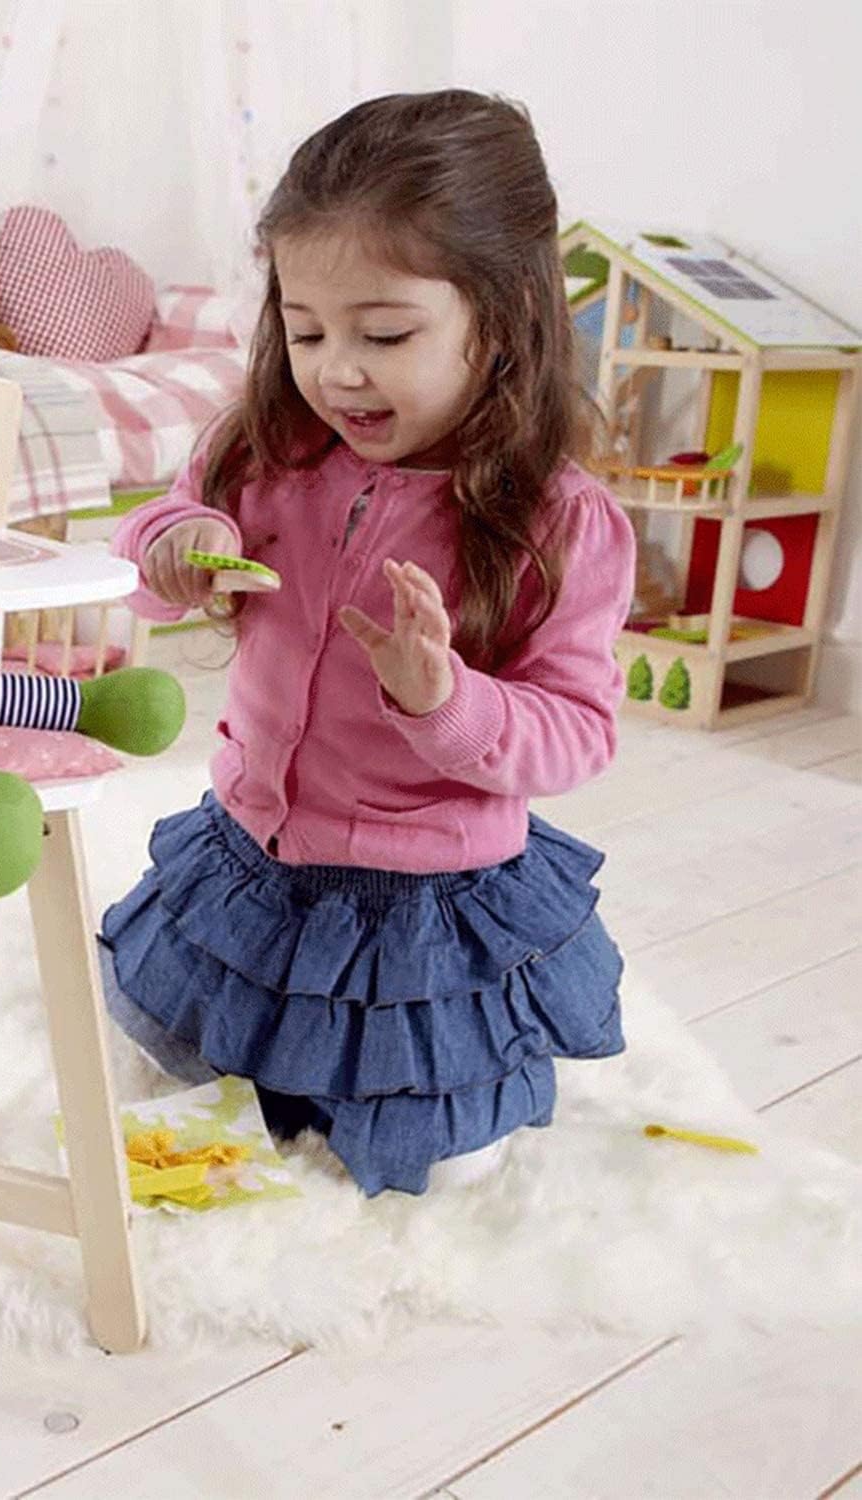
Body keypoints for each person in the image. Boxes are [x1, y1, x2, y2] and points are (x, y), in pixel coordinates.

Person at [99, 90, 635, 1196]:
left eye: (383, 335)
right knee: (193, 1073)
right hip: (254, 863)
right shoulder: (266, 448)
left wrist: (448, 700)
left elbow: (578, 732)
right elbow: (150, 548)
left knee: (434, 1156)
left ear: (502, 320)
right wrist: (175, 544)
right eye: (306, 331)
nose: (336, 370)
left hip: (423, 906)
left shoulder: (561, 523)